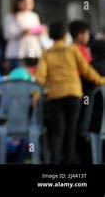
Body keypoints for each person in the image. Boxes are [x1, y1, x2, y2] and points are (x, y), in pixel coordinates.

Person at [36, 22, 105, 164]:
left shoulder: (47, 53)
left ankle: (54, 161)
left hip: (55, 96)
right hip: (74, 95)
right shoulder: (73, 50)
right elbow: (87, 71)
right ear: (64, 35)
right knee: (71, 131)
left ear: (50, 35)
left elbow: (40, 77)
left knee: (57, 132)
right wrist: (101, 80)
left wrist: (36, 95)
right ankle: (68, 161)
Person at [3, 0, 43, 71]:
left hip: (32, 53)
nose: (28, 4)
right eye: (25, 1)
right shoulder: (10, 17)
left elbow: (38, 30)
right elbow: (7, 34)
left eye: (30, 1)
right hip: (17, 54)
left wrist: (38, 30)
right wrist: (21, 32)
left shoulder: (34, 16)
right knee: (18, 77)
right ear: (18, 2)